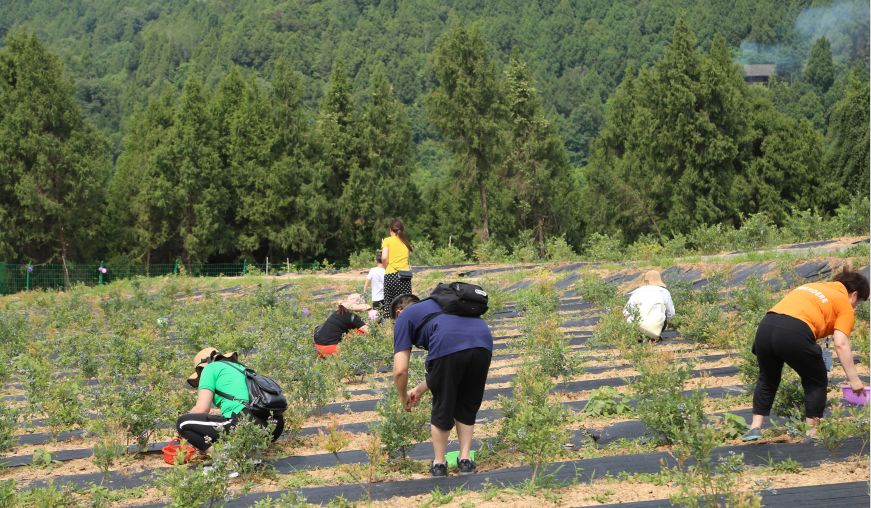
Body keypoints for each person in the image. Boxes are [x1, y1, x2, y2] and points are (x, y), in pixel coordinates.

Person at [742, 269, 869, 441]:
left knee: (768, 378)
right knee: (816, 380)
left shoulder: (811, 286)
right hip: (794, 331)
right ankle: (812, 432)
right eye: (858, 303)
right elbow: (841, 343)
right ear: (853, 295)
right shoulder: (844, 304)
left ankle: (755, 427)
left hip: (766, 327)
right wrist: (854, 380)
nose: (855, 307)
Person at [391, 293, 493, 478]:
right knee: (467, 403)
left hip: (448, 344)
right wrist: (420, 389)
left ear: (398, 312)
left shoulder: (403, 318)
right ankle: (465, 461)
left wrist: (402, 396)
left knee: (443, 405)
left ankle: (439, 464)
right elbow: (444, 368)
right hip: (483, 341)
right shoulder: (442, 304)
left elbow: (400, 370)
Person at [176, 348, 284, 452]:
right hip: (274, 428)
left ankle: (223, 458)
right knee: (222, 423)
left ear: (201, 368)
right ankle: (247, 452)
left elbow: (202, 409)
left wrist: (187, 433)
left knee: (183, 423)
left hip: (246, 423)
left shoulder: (210, 368)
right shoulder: (242, 368)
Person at [313, 293, 371, 358]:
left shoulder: (338, 312)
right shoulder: (353, 317)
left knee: (351, 333)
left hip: (318, 349)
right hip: (331, 350)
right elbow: (369, 331)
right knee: (360, 332)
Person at [623, 270, 675, 340]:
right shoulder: (664, 292)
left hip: (637, 325)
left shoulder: (637, 292)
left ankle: (638, 335)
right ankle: (654, 335)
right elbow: (671, 313)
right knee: (663, 310)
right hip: (656, 326)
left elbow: (626, 311)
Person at [381, 218, 413, 318]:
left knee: (389, 304)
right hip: (405, 276)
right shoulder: (405, 242)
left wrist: (387, 267)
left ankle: (389, 330)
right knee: (405, 304)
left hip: (391, 275)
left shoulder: (387, 240)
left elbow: (384, 257)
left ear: (390, 229)